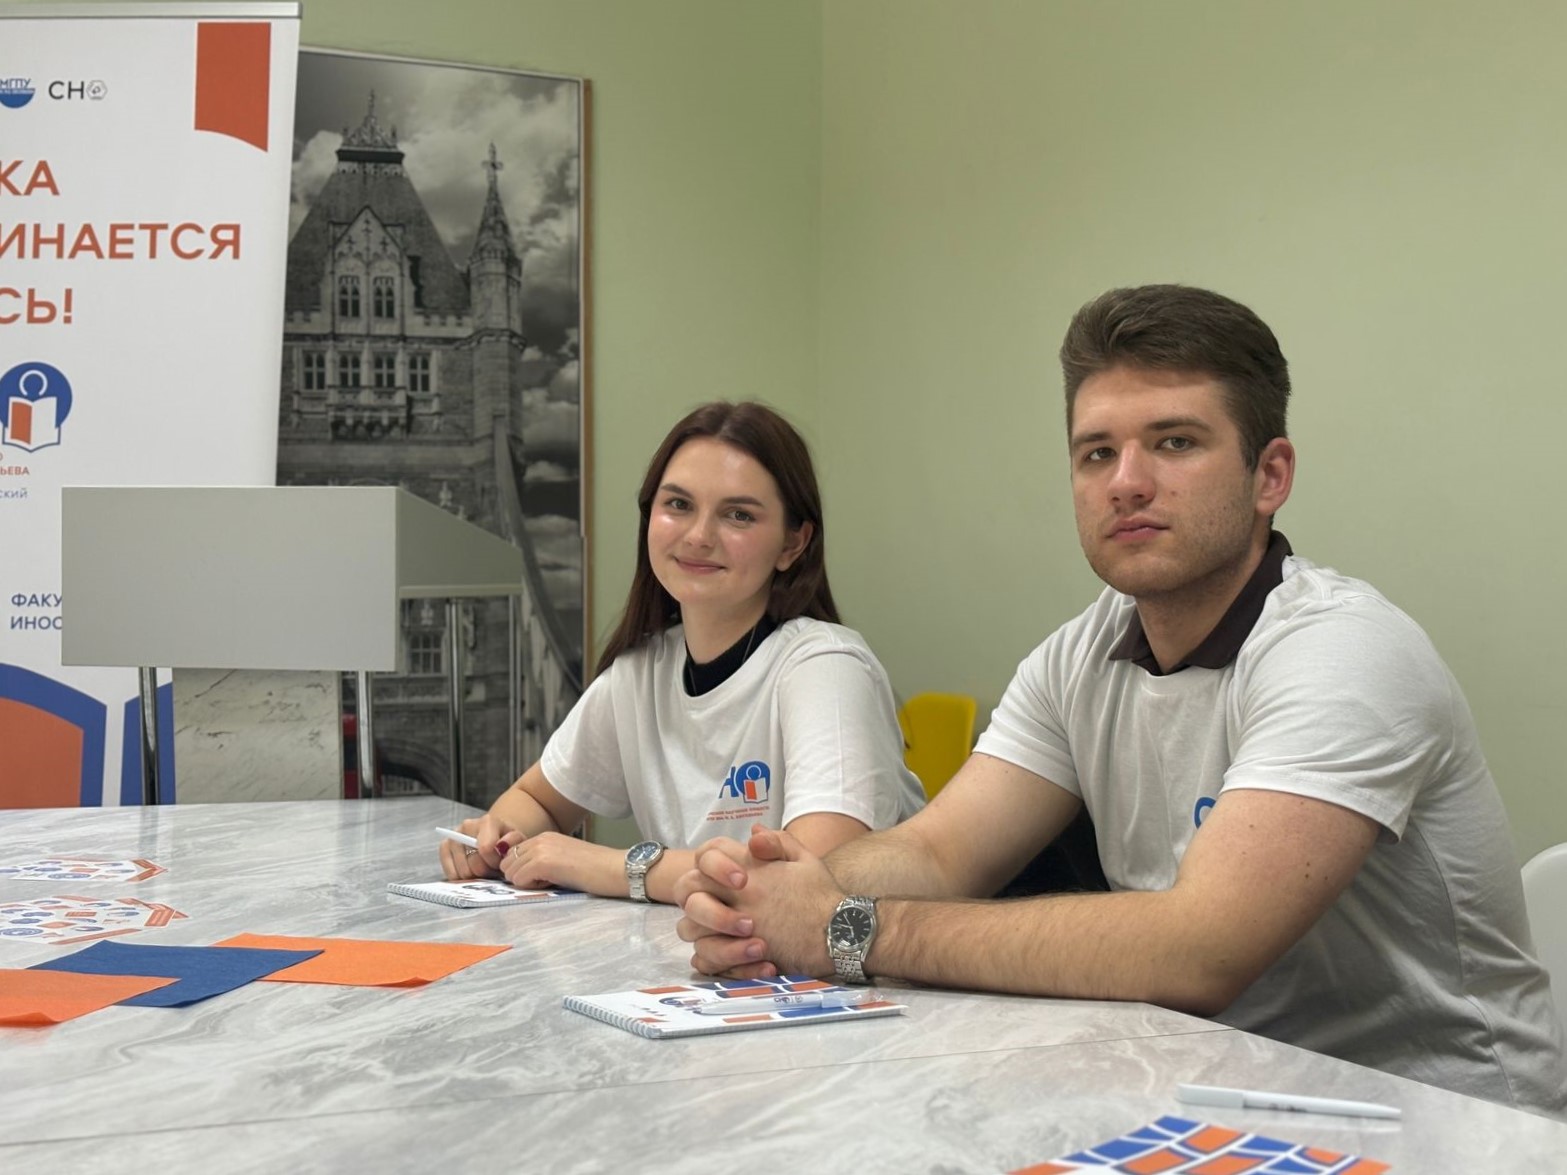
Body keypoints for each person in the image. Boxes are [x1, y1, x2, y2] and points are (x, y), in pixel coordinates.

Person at [674, 286, 1567, 1117]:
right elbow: (939, 852)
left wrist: (842, 925)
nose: (1125, 481)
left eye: (1174, 442)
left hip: (1449, 1120)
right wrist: (770, 895)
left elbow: (1198, 949)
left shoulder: (1343, 650)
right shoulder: (1082, 653)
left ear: (1269, 475)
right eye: (1096, 452)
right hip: (1219, 1092)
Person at [440, 400, 924, 904]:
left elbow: (809, 884)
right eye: (678, 505)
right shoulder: (639, 672)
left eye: (738, 515)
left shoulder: (826, 668)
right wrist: (500, 841)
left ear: (793, 544)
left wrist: (605, 865)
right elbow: (536, 799)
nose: (698, 536)